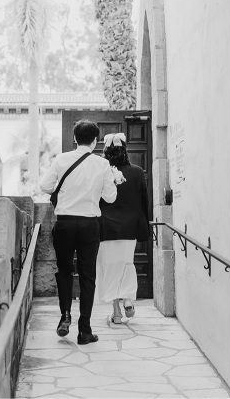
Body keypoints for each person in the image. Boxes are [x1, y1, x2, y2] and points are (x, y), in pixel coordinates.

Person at [40, 119, 117, 345]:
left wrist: (65, 191)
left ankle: (65, 316)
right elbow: (110, 197)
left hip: (64, 223)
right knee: (87, 276)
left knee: (64, 270)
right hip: (89, 225)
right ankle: (85, 330)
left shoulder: (62, 159)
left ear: (75, 138)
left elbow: (44, 186)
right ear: (95, 141)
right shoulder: (102, 164)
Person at [96, 133, 148, 323]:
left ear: (106, 151)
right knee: (126, 263)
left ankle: (116, 312)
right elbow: (143, 201)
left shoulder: (101, 172)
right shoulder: (136, 172)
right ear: (124, 149)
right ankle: (127, 299)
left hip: (106, 228)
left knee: (109, 268)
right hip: (129, 228)